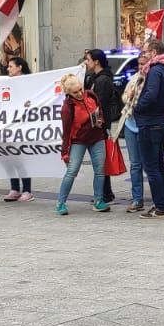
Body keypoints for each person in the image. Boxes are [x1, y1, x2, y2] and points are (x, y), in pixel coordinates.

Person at [133, 38, 164, 219]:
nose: (143, 55)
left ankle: (160, 207)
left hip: (149, 121)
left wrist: (137, 107)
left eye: (145, 52)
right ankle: (163, 201)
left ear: (153, 52)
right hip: (160, 119)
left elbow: (151, 95)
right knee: (158, 165)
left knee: (151, 166)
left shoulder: (155, 71)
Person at [56, 74, 109, 215]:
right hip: (78, 140)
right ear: (68, 93)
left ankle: (98, 201)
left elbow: (100, 110)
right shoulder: (67, 108)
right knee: (72, 171)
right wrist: (64, 152)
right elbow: (66, 132)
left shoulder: (91, 95)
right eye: (75, 92)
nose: (80, 93)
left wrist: (101, 120)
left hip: (96, 137)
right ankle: (61, 202)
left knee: (100, 170)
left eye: (81, 89)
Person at [83, 50, 121, 203]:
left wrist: (97, 121)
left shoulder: (103, 80)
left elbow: (100, 104)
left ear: (96, 61)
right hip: (97, 124)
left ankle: (105, 193)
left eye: (88, 60)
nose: (86, 62)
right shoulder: (94, 78)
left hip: (100, 125)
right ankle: (105, 192)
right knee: (99, 160)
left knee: (101, 160)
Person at [118, 60, 147, 212]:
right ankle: (137, 199)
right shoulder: (135, 78)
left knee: (149, 164)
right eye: (140, 64)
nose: (141, 67)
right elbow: (124, 97)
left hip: (145, 125)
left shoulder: (151, 79)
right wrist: (129, 95)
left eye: (144, 64)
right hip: (130, 123)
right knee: (135, 164)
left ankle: (159, 199)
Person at [3, 57, 34, 202]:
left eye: (11, 66)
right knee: (8, 158)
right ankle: (14, 188)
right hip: (8, 126)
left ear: (19, 67)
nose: (8, 69)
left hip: (22, 127)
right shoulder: (6, 84)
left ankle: (27, 190)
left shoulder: (28, 82)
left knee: (20, 160)